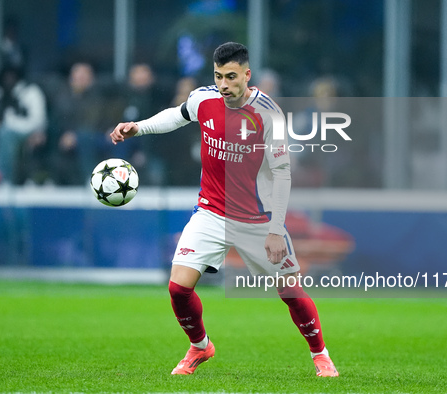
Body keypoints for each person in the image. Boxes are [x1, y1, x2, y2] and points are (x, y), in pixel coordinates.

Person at [110, 42, 338, 377]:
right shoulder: (204, 98)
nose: (224, 84)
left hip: (256, 219)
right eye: (219, 76)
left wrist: (276, 229)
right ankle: (200, 347)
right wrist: (139, 127)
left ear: (247, 75)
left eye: (231, 77)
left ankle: (321, 355)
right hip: (211, 212)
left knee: (290, 291)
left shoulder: (268, 114)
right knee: (178, 288)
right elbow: (177, 115)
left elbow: (282, 173)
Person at [0, 65, 47, 185]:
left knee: (6, 134)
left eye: (12, 76)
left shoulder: (31, 92)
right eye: (5, 77)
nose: (8, 80)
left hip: (28, 131)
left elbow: (38, 120)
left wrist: (11, 124)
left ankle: (4, 180)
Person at [52, 62, 106, 185]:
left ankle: (91, 179)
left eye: (84, 76)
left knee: (85, 137)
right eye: (77, 76)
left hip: (94, 136)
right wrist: (66, 134)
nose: (80, 79)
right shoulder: (62, 97)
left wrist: (74, 135)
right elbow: (58, 120)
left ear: (91, 79)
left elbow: (93, 121)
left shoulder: (97, 97)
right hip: (66, 137)